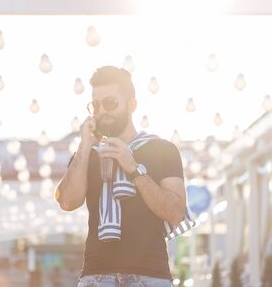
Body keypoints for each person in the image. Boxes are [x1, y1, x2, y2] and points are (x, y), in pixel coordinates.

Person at [55, 66, 194, 287]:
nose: (102, 111)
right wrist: (83, 146)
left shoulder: (162, 149)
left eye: (110, 103)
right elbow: (67, 201)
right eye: (96, 105)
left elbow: (176, 213)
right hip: (96, 276)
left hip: (150, 277)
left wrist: (133, 168)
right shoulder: (87, 154)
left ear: (132, 105)